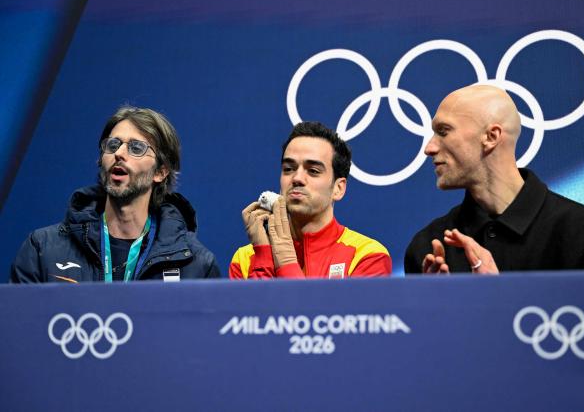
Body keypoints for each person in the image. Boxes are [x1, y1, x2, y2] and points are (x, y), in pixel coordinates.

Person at [405, 84, 584, 274]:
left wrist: (500, 294)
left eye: (443, 131)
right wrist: (435, 306)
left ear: (491, 137)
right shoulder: (428, 247)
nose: (429, 148)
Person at [10, 106, 219, 282]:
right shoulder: (42, 249)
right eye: (113, 145)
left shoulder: (196, 264)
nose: (119, 153)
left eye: (136, 148)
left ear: (160, 172)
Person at [229, 121, 391, 279]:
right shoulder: (244, 260)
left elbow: (308, 307)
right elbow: (254, 307)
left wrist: (285, 259)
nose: (297, 178)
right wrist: (264, 256)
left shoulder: (368, 256)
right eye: (288, 169)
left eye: (313, 171)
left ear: (338, 188)